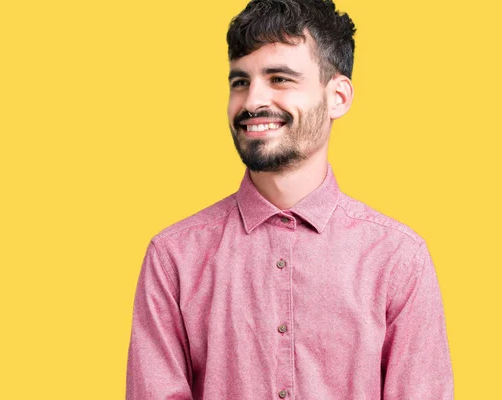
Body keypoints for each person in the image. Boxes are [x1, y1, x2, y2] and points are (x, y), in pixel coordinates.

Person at [126, 0, 454, 398]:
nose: (251, 103)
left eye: (279, 79)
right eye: (240, 82)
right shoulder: (174, 257)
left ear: (338, 96)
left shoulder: (398, 259)